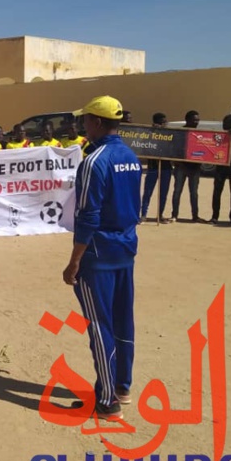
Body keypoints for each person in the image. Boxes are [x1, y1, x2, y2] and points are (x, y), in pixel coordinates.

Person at [61, 96, 140, 420]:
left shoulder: (95, 161)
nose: (82, 125)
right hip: (125, 248)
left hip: (98, 254)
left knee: (100, 326)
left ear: (96, 122)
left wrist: (74, 260)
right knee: (122, 320)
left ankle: (108, 401)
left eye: (85, 120)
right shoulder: (130, 156)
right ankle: (121, 386)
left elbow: (88, 215)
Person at [210, 115, 231, 224]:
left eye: (225, 122)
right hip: (221, 165)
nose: (223, 125)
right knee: (217, 191)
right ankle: (215, 216)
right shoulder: (220, 135)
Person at [170, 110, 203, 223]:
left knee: (194, 193)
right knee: (177, 191)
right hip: (181, 167)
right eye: (194, 120)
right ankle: (174, 215)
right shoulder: (180, 132)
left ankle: (195, 216)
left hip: (194, 168)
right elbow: (173, 148)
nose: (196, 122)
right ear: (187, 120)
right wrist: (176, 162)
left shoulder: (200, 134)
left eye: (197, 119)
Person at [140, 113, 173, 222]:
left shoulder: (169, 134)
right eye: (163, 122)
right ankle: (143, 214)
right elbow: (144, 147)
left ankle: (160, 214)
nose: (165, 124)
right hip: (153, 167)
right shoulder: (149, 134)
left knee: (163, 193)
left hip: (166, 167)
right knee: (148, 192)